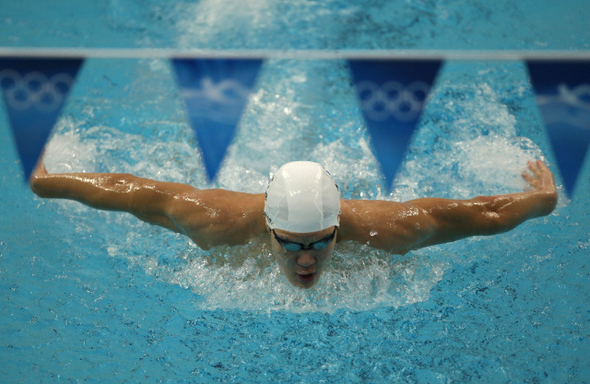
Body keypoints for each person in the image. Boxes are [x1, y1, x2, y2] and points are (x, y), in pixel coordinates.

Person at [29, 159, 557, 289]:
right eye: (292, 245)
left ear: (339, 228)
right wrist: (47, 183)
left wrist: (543, 200)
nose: (307, 259)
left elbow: (482, 212)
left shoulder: (389, 228)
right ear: (267, 227)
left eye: (321, 244)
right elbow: (131, 192)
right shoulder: (215, 222)